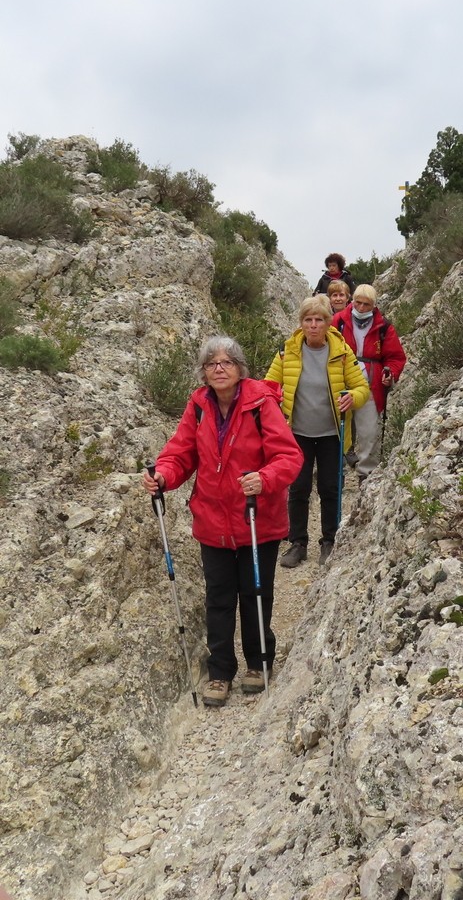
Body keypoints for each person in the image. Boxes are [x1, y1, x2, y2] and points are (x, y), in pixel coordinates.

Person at [142, 335, 303, 708]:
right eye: (211, 363)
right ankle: (220, 672)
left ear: (240, 368)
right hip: (213, 520)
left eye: (226, 362)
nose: (218, 368)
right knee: (218, 598)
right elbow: (180, 453)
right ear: (203, 372)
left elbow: (289, 457)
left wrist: (264, 478)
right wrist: (163, 475)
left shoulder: (262, 404)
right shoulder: (198, 407)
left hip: (255, 518)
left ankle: (259, 662)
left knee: (255, 593)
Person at [265, 295, 370, 567]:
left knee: (330, 488)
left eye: (319, 320)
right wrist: (276, 398)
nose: (313, 325)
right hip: (295, 433)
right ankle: (297, 543)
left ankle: (330, 541)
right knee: (298, 488)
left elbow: (361, 389)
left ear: (328, 322)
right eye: (308, 320)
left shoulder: (342, 352)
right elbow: (267, 386)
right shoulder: (286, 352)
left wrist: (352, 398)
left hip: (332, 434)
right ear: (301, 323)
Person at [332, 284, 407, 481]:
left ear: (374, 305)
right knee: (337, 429)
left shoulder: (383, 326)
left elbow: (396, 357)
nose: (362, 308)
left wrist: (390, 373)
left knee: (369, 432)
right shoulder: (338, 321)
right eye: (358, 303)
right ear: (352, 301)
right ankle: (335, 470)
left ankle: (366, 475)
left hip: (371, 386)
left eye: (367, 304)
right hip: (340, 382)